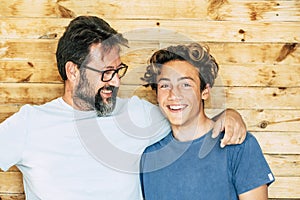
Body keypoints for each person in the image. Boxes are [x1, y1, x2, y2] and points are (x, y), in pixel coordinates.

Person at [0, 16, 246, 200]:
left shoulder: (137, 114)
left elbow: (190, 119)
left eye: (118, 70)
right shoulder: (30, 123)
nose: (116, 81)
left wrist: (229, 115)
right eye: (107, 72)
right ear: (73, 71)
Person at [140, 43, 275, 200]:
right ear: (157, 94)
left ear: (205, 92)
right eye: (165, 85)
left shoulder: (238, 146)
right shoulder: (149, 157)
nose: (173, 94)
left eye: (185, 84)